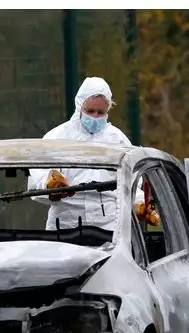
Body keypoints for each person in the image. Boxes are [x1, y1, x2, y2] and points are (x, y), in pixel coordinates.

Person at [28, 77, 159, 231]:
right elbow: (38, 177)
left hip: (109, 227)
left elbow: (130, 182)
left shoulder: (118, 140)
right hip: (65, 226)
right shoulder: (57, 138)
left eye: (100, 112)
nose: (95, 117)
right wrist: (50, 186)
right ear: (79, 107)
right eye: (90, 111)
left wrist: (138, 204)